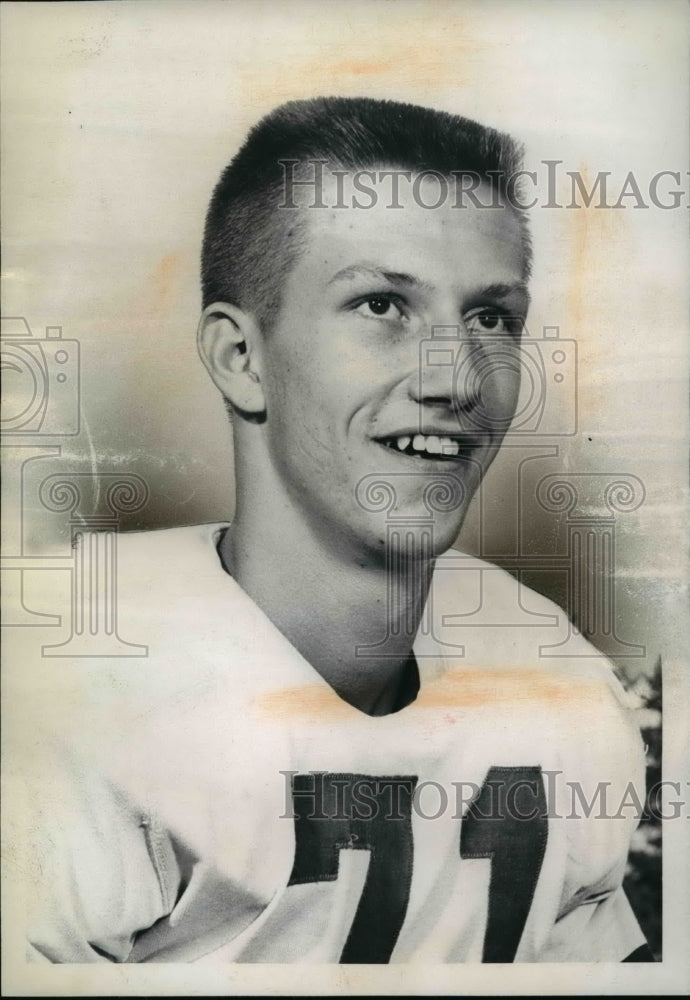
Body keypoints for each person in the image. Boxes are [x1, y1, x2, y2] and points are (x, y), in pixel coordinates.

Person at [19, 96, 652, 963]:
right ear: (243, 358)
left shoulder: (552, 676)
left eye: (490, 317)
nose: (457, 379)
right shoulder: (64, 693)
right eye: (383, 305)